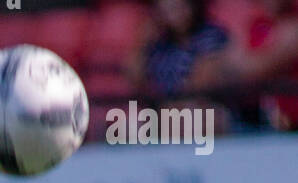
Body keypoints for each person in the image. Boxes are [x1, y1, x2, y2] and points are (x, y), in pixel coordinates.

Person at [193, 0, 298, 129]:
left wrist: (226, 66)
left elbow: (257, 70)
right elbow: (218, 65)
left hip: (290, 124)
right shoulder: (256, 24)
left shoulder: (293, 26)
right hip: (258, 121)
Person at [127, 0, 230, 95]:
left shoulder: (210, 35)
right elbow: (134, 80)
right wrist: (141, 45)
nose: (173, 15)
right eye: (166, 10)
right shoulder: (159, 44)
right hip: (165, 109)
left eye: (177, 7)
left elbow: (201, 86)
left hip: (202, 108)